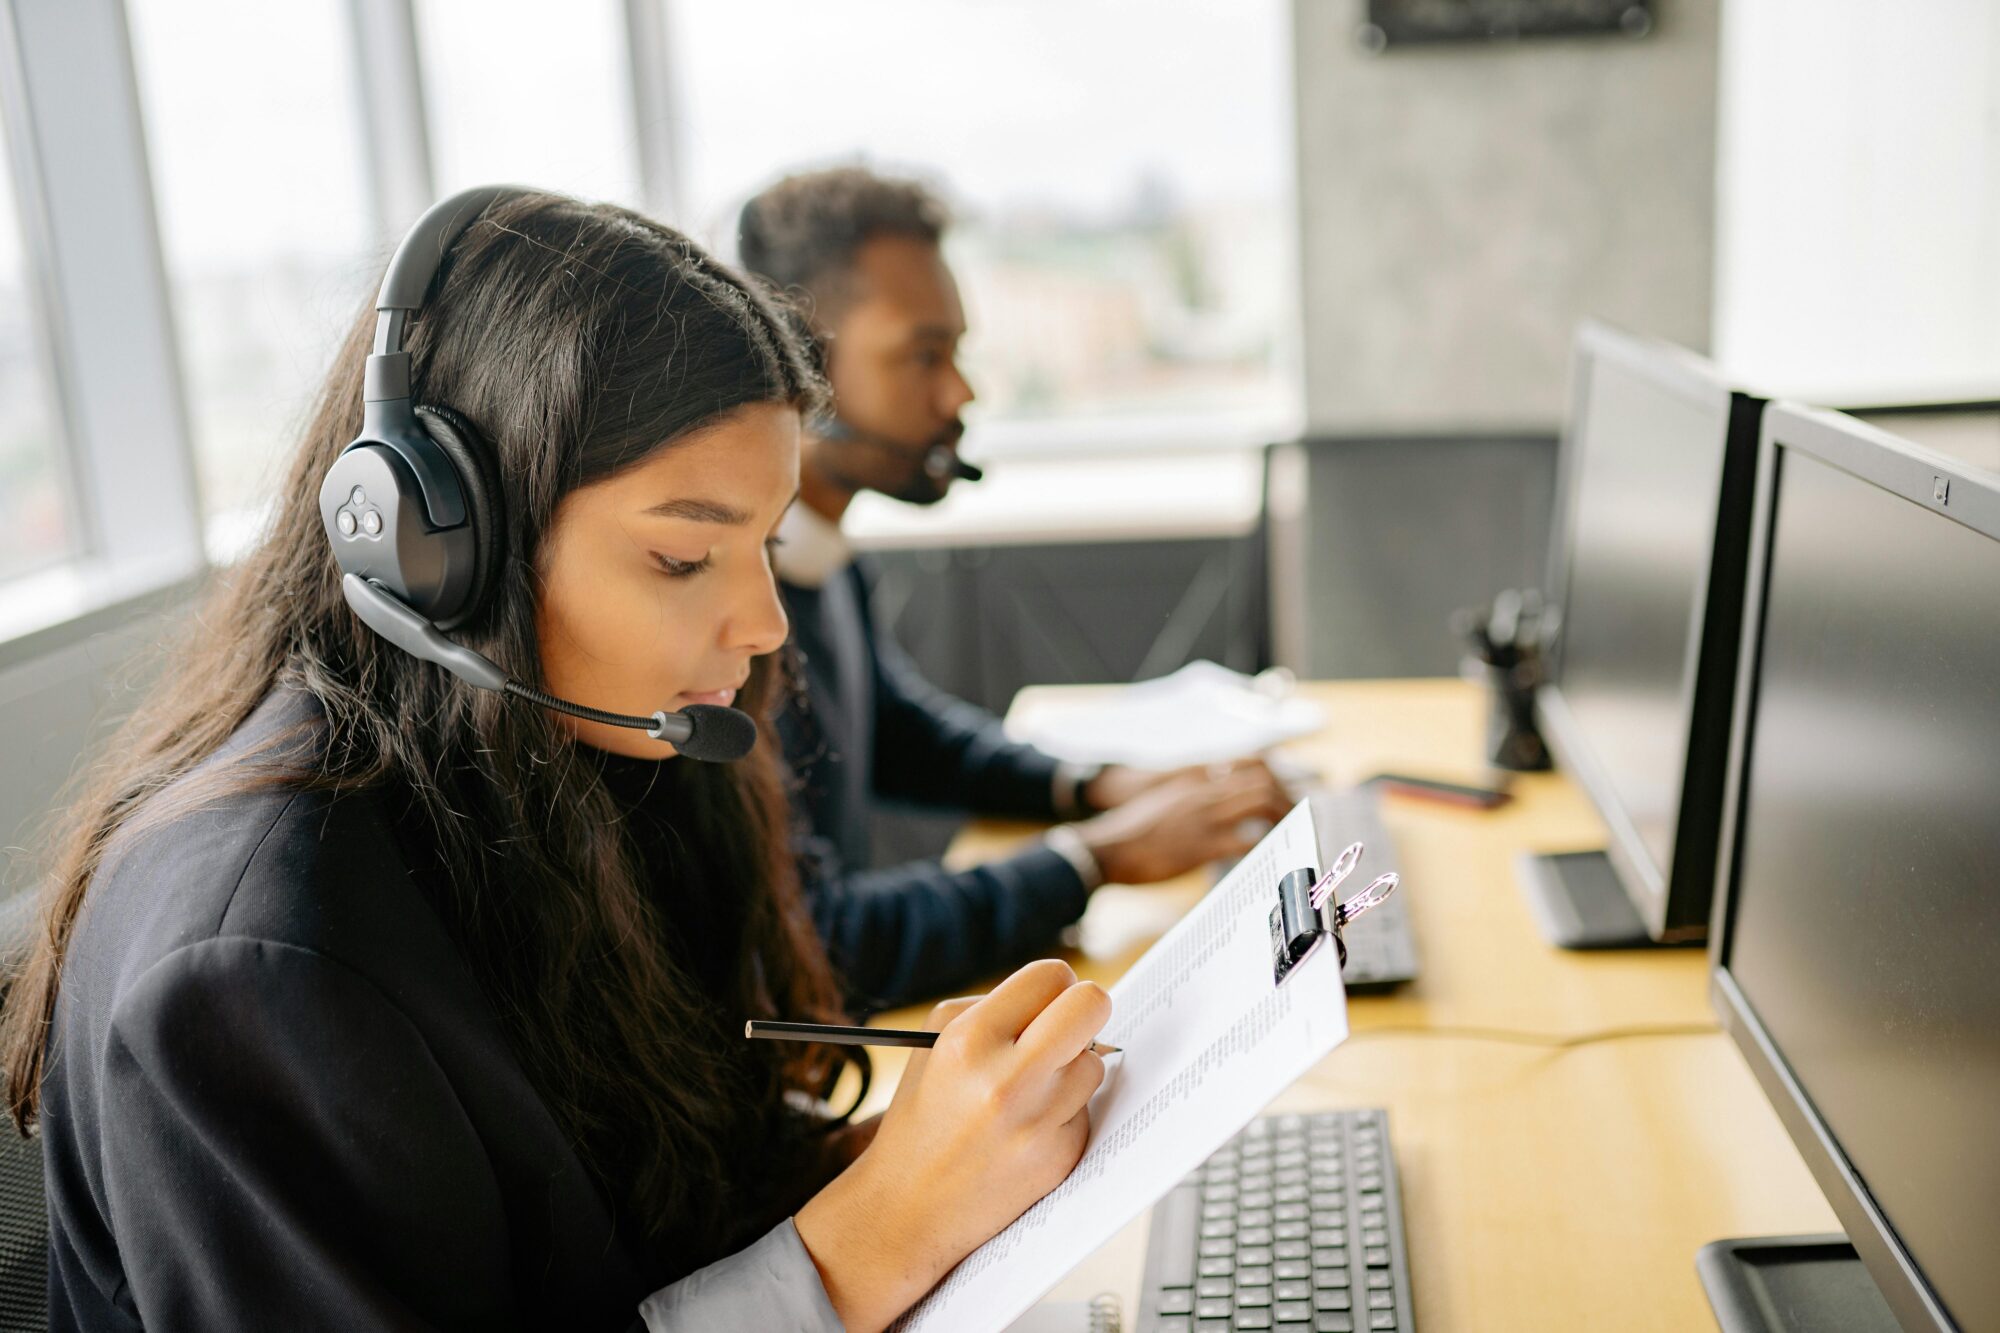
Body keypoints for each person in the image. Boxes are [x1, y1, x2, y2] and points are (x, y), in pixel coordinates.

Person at [0, 189, 1111, 1333]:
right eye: (683, 556)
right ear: (444, 551)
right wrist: (874, 1237)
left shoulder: (583, 764)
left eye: (763, 541)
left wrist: (921, 1154)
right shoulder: (256, 963)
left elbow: (637, 1233)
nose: (765, 622)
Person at [736, 166, 1292, 1009]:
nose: (961, 392)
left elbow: (899, 730)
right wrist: (1094, 858)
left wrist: (1094, 786)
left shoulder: (819, 553)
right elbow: (820, 940)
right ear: (801, 365)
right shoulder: (734, 622)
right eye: (924, 355)